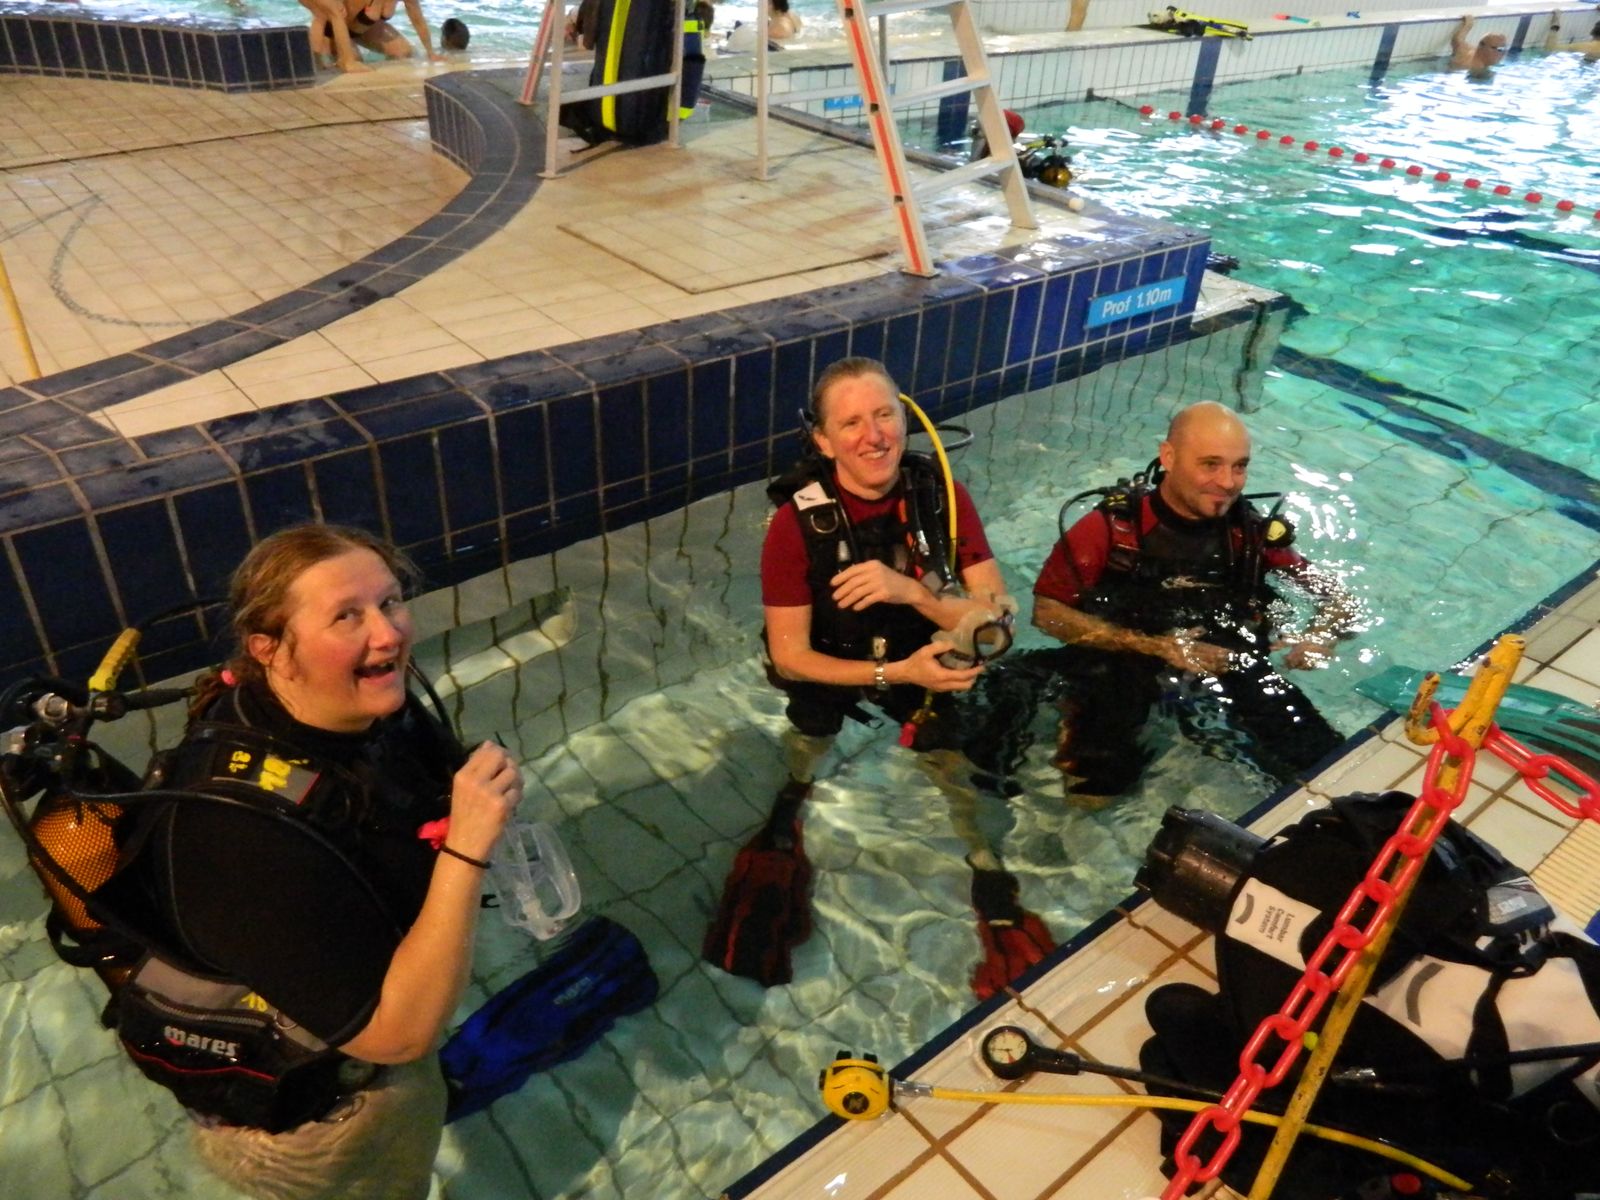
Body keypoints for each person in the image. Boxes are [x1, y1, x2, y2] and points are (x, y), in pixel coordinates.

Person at [98, 525, 522, 1199]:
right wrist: (467, 847)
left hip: (348, 1027)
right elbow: (397, 1036)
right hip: (320, 1125)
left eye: (391, 601)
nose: (387, 634)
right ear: (269, 648)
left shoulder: (357, 704)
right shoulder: (237, 834)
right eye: (347, 616)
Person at [704, 358, 1053, 996]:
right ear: (823, 440)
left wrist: (911, 595)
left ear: (904, 417)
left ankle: (985, 865)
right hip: (830, 664)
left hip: (922, 658)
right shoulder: (795, 525)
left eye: (884, 415)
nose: (874, 436)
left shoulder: (941, 495)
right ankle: (793, 801)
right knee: (810, 733)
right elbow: (789, 657)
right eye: (852, 422)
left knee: (950, 757)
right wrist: (890, 670)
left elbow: (998, 622)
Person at [1031, 401, 1354, 802]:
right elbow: (1047, 613)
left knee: (1327, 764)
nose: (1229, 483)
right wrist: (1154, 647)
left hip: (1226, 657)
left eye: (1240, 466)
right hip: (1123, 660)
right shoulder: (1112, 529)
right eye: (1211, 464)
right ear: (1168, 457)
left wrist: (1321, 635)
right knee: (1096, 789)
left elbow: (1339, 598)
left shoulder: (1249, 534)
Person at [303, 0, 443, 72]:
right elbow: (323, 13)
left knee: (404, 52)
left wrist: (431, 52)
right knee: (356, 61)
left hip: (365, 31)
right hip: (332, 31)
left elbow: (418, 20)